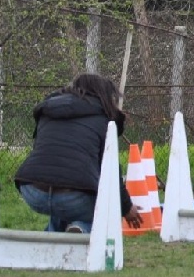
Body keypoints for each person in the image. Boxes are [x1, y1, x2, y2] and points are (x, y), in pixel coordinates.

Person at [14, 73, 143, 233]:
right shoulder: (103, 120)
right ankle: (82, 228)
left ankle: (53, 237)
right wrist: (126, 207)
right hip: (73, 197)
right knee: (108, 210)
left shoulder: (48, 111)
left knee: (63, 192)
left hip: (32, 190)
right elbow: (110, 171)